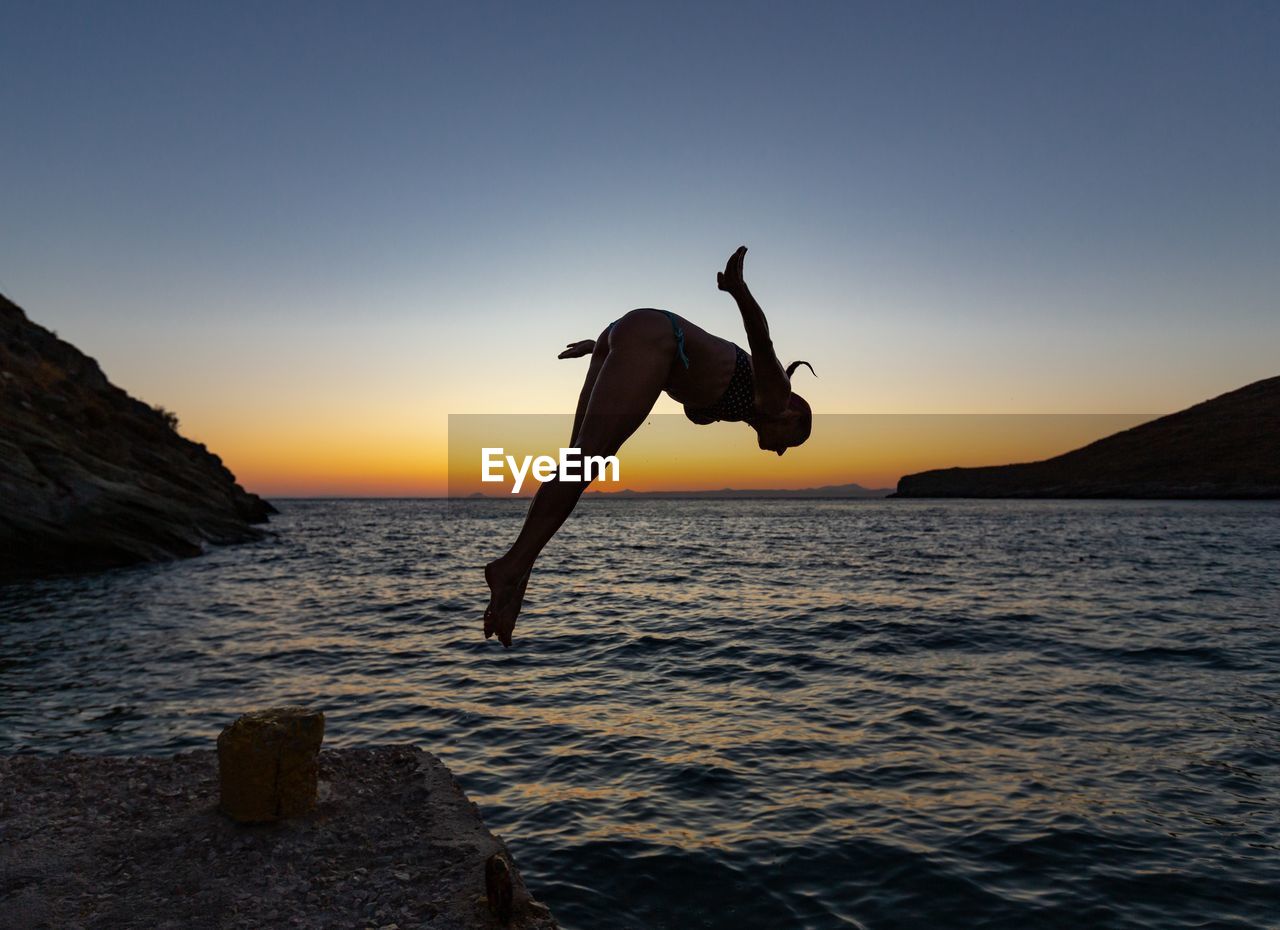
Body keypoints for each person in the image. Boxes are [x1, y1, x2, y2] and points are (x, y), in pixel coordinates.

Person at [483, 246, 815, 647]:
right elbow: (761, 339)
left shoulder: (742, 404)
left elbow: (697, 358)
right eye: (790, 443)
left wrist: (600, 348)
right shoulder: (777, 394)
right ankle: (510, 568)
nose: (781, 452)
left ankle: (517, 578)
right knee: (585, 463)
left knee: (574, 466)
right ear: (793, 416)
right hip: (650, 338)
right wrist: (739, 291)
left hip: (626, 335)